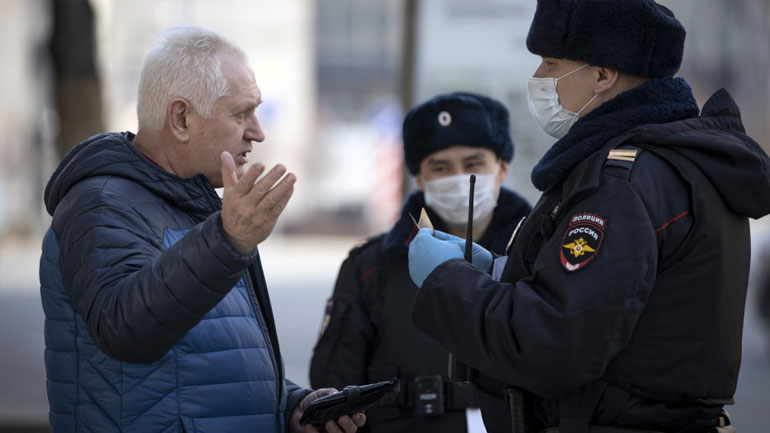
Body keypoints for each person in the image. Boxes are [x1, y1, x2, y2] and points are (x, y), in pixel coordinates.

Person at [406, 1, 770, 433]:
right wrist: (501, 271)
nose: (538, 79)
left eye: (550, 63)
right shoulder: (673, 163)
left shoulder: (621, 183)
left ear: (602, 75)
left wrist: (447, 277)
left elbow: (551, 344)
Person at [39, 26, 365, 433]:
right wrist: (229, 240)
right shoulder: (101, 203)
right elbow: (126, 329)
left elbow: (206, 366)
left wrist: (292, 407)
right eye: (242, 113)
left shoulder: (196, 206)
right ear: (180, 119)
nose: (257, 132)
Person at [309, 92, 532, 433]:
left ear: (502, 168)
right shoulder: (372, 267)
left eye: (473, 165)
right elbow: (334, 386)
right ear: (420, 179)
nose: (458, 178)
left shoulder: (536, 257)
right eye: (440, 168)